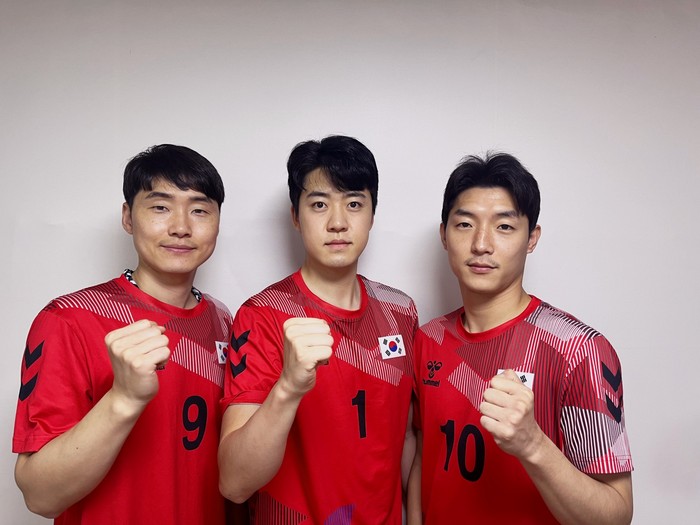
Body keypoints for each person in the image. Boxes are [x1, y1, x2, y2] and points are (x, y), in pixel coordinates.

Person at [13, 144, 233, 524]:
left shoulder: (224, 320)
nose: (181, 226)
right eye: (160, 207)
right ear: (128, 217)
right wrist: (123, 399)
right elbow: (40, 495)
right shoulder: (70, 319)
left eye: (199, 210)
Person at [408, 152, 633, 524]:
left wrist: (533, 444)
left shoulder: (580, 350)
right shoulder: (427, 339)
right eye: (465, 224)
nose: (481, 244)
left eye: (504, 226)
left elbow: (616, 514)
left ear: (532, 238)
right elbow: (425, 459)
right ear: (444, 235)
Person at [218, 135, 418, 524]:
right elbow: (234, 483)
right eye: (319, 204)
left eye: (354, 204)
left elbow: (405, 438)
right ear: (296, 216)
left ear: (372, 214)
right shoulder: (262, 315)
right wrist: (288, 387)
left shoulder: (400, 311)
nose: (338, 222)